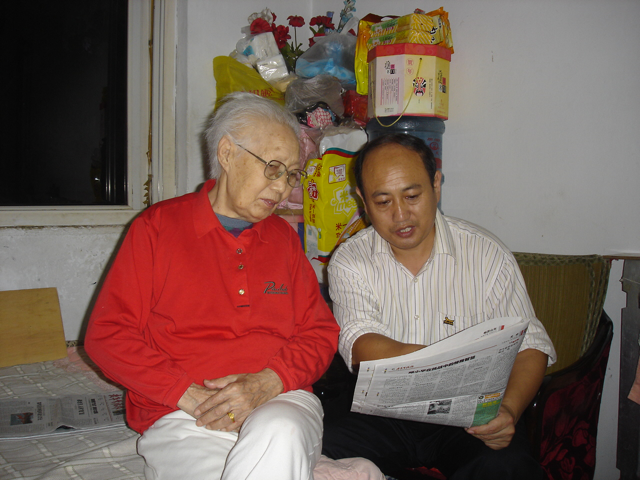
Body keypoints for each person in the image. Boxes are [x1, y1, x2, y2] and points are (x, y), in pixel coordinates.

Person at [85, 92, 343, 480]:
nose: (282, 188)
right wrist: (186, 394)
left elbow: (320, 333)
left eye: (292, 174)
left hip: (280, 401)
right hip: (183, 415)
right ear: (227, 153)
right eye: (273, 168)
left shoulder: (284, 240)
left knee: (281, 432)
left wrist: (271, 380)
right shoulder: (157, 229)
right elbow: (108, 336)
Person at [322, 133, 557, 480]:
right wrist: (459, 366)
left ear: (436, 184)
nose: (400, 215)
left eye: (412, 196)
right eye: (383, 201)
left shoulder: (485, 253)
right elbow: (360, 345)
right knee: (312, 450)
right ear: (363, 201)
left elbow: (530, 346)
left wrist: (508, 410)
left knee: (505, 467)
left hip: (468, 416)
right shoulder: (350, 260)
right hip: (382, 415)